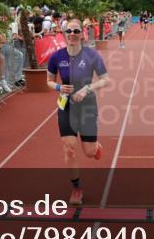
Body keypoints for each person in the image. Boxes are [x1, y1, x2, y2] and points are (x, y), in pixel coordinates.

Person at [46, 18, 111, 206]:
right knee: (70, 149)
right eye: (69, 32)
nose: (72, 35)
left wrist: (87, 89)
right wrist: (58, 87)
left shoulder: (92, 56)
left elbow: (105, 80)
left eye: (76, 31)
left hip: (88, 105)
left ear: (82, 34)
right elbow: (48, 80)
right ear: (64, 35)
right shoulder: (56, 57)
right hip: (66, 106)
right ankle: (76, 188)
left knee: (89, 152)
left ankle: (96, 147)